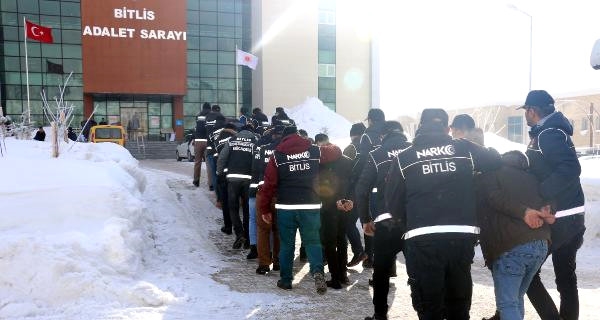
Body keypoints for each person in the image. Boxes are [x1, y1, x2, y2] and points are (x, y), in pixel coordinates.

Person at [384, 108, 501, 320]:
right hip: (461, 236)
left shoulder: (404, 158)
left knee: (430, 305)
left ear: (420, 127)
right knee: (458, 303)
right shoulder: (464, 149)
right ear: (447, 128)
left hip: (422, 238)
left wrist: (409, 223)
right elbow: (495, 160)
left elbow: (392, 202)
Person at [519, 90, 586, 320]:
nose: (525, 116)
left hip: (560, 218)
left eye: (526, 111)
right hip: (572, 216)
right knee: (566, 277)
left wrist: (541, 193)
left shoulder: (548, 134)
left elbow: (570, 169)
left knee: (528, 274)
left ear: (532, 111)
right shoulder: (554, 131)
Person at [257, 125, 341, 294]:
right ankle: (317, 272)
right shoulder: (314, 151)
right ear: (298, 136)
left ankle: (286, 280)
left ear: (284, 139)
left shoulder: (277, 155)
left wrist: (264, 209)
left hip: (286, 207)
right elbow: (337, 151)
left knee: (287, 245)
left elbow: (269, 185)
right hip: (310, 205)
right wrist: (325, 145)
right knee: (312, 241)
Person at [477, 150, 554, 320]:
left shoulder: (492, 175)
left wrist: (523, 211)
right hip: (541, 244)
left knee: (507, 304)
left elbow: (495, 198)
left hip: (513, 246)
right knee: (516, 299)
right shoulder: (533, 178)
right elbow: (550, 199)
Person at [357, 121, 411, 320]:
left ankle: (380, 313)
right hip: (412, 220)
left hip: (386, 221)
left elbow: (362, 189)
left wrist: (365, 219)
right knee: (418, 270)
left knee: (381, 271)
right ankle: (423, 309)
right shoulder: (414, 150)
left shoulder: (376, 154)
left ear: (382, 136)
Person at [314, 133, 353, 289]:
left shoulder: (320, 162)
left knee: (329, 243)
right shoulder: (347, 161)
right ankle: (343, 275)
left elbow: (320, 187)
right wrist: (346, 199)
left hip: (328, 207)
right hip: (344, 205)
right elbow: (352, 182)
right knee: (342, 239)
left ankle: (335, 279)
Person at [354, 108, 386, 268]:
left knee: (370, 222)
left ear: (371, 120)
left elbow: (364, 161)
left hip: (373, 187)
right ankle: (389, 264)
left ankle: (370, 258)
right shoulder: (388, 134)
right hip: (391, 187)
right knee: (387, 224)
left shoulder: (367, 136)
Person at [217, 124, 258, 249]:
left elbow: (222, 157)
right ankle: (248, 238)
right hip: (249, 180)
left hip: (233, 179)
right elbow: (258, 159)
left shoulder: (232, 140)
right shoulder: (255, 141)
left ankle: (239, 233)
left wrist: (220, 173)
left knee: (233, 208)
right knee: (247, 209)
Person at [253, 125, 284, 273]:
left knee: (263, 230)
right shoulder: (285, 152)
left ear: (272, 136)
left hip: (263, 192)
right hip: (280, 195)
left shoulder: (263, 149)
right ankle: (278, 262)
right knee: (278, 230)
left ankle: (264, 264)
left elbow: (255, 168)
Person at [343, 122, 368, 267]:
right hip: (370, 192)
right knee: (368, 224)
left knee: (348, 223)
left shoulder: (351, 148)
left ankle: (359, 251)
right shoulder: (371, 147)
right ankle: (370, 257)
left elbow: (345, 172)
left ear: (352, 134)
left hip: (353, 192)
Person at [193, 102, 212, 187]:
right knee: (208, 163)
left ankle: (196, 181)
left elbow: (196, 128)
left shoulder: (198, 116)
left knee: (197, 162)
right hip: (207, 141)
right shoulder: (211, 116)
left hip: (198, 140)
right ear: (210, 108)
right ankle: (211, 184)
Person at [205, 105, 224, 192]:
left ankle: (213, 187)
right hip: (220, 148)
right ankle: (222, 191)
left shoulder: (207, 117)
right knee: (222, 170)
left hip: (210, 146)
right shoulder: (221, 117)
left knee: (212, 170)